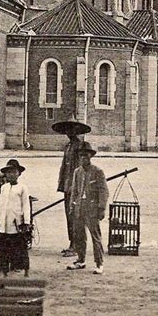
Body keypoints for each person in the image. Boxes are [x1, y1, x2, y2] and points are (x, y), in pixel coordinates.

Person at [67, 142, 109, 275]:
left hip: (92, 209)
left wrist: (101, 208)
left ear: (90, 157)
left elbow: (104, 191)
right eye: (81, 156)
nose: (83, 159)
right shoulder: (77, 172)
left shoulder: (97, 172)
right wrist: (71, 207)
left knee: (95, 236)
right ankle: (80, 260)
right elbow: (74, 190)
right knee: (79, 235)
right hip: (79, 207)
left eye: (86, 156)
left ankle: (99, 263)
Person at [52, 117, 90, 257]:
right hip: (68, 186)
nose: (69, 132)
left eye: (72, 129)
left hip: (77, 188)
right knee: (69, 215)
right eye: (67, 129)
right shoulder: (68, 146)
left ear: (77, 130)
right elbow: (64, 167)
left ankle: (76, 246)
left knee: (76, 216)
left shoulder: (81, 146)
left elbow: (84, 168)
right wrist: (62, 184)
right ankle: (71, 243)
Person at [0, 158, 31, 277]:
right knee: (4, 247)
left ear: (18, 174)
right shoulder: (4, 188)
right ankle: (5, 270)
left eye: (14, 172)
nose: (11, 175)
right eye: (9, 172)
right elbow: (0, 206)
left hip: (16, 223)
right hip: (4, 223)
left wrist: (26, 222)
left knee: (20, 246)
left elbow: (26, 206)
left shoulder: (22, 188)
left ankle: (24, 269)